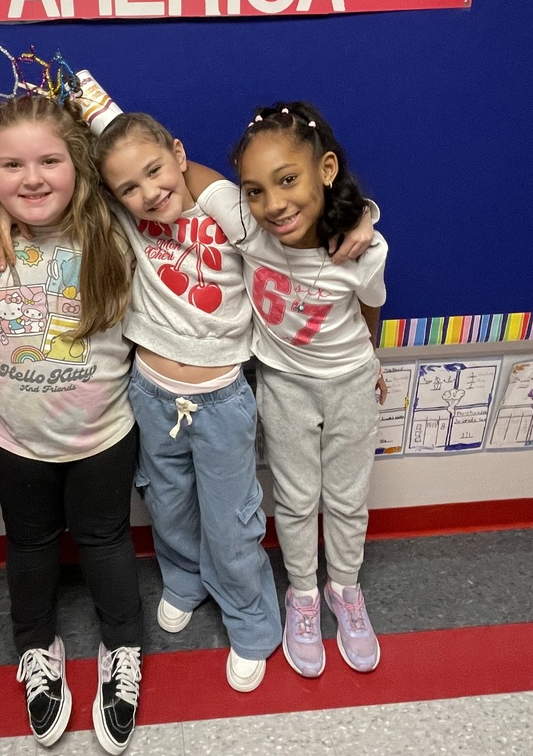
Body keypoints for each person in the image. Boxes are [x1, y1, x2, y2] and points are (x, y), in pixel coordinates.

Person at [79, 74, 374, 693]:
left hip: (222, 399)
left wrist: (364, 220)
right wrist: (93, 112)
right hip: (150, 390)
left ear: (181, 157)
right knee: (167, 500)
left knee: (232, 518)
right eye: (128, 188)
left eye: (158, 172)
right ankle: (184, 579)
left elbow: (311, 223)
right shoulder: (126, 214)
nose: (147, 192)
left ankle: (251, 619)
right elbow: (114, 155)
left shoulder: (235, 212)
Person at [0, 92, 143, 754]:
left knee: (104, 539)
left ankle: (123, 649)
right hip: (13, 437)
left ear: (82, 165)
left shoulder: (117, 229)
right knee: (31, 543)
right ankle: (36, 648)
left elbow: (187, 184)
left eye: (49, 161)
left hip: (102, 433)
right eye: (12, 164)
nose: (31, 178)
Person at [188, 101, 388, 680]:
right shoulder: (249, 225)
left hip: (350, 383)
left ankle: (344, 590)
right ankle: (303, 593)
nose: (273, 204)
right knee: (297, 500)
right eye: (254, 190)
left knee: (347, 498)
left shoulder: (361, 248)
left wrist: (371, 359)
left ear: (326, 169)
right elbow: (179, 168)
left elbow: (371, 306)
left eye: (288, 180)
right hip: (282, 385)